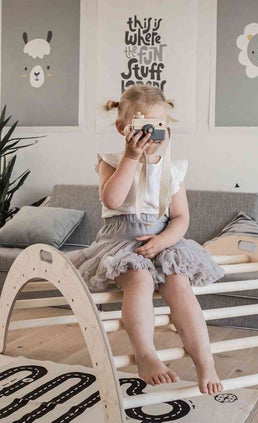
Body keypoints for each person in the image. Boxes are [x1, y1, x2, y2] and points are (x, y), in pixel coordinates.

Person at [66, 84, 226, 394]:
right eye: (142, 127)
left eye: (159, 126)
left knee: (180, 285)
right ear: (122, 128)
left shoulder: (174, 169)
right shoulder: (110, 161)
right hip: (122, 243)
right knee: (139, 279)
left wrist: (164, 241)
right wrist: (131, 156)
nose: (151, 135)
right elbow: (112, 200)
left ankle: (205, 361)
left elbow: (181, 218)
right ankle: (146, 355)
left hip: (163, 241)